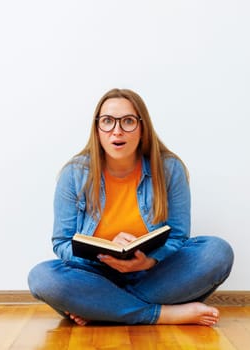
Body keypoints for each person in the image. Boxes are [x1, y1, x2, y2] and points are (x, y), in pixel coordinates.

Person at [28, 88, 234, 326]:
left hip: (153, 275)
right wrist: (102, 257)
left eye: (127, 121)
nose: (117, 130)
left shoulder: (170, 169)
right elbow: (62, 242)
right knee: (42, 277)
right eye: (107, 121)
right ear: (97, 129)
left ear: (142, 127)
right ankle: (162, 314)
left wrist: (148, 261)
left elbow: (178, 236)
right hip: (95, 277)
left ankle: (102, 309)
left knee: (217, 251)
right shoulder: (73, 173)